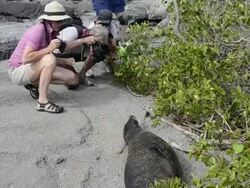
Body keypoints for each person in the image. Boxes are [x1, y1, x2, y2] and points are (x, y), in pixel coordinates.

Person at [8, 1, 96, 113]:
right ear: (48, 20)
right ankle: (42, 102)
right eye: (58, 21)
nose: (60, 23)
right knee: (50, 58)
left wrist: (83, 41)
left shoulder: (51, 31)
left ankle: (34, 84)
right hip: (18, 69)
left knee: (72, 79)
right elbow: (26, 58)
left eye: (62, 20)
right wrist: (49, 49)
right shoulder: (38, 30)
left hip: (33, 67)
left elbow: (65, 46)